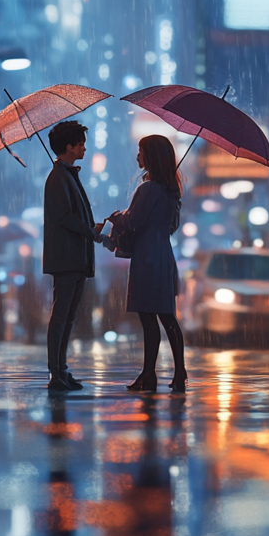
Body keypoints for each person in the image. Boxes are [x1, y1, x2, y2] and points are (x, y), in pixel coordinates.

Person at [104, 134, 186, 393]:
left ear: (150, 156)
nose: (137, 156)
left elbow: (133, 221)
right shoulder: (170, 190)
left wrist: (116, 217)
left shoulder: (148, 188)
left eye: (140, 151)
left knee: (149, 319)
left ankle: (149, 374)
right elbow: (171, 226)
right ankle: (177, 371)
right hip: (163, 254)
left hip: (147, 258)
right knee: (167, 317)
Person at [43, 119, 101, 392]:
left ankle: (62, 370)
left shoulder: (67, 175)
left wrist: (91, 229)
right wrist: (91, 231)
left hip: (75, 258)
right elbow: (65, 217)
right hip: (67, 258)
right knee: (61, 317)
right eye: (80, 144)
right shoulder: (58, 178)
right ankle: (56, 372)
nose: (84, 149)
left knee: (68, 317)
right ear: (68, 147)